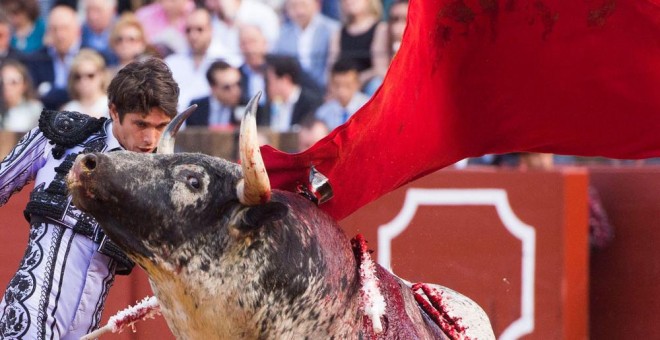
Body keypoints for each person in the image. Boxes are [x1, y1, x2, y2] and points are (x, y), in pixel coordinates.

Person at [0, 57, 179, 339]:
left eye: (161, 127)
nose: (150, 139)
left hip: (85, 329)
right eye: (141, 124)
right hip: (28, 314)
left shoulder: (162, 180)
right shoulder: (61, 136)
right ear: (114, 111)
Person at [22, 5, 82, 110]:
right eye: (54, 29)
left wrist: (49, 91)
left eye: (64, 28)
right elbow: (34, 94)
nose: (60, 34)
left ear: (77, 30)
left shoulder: (89, 55)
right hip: (47, 114)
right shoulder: (36, 58)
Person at [165, 7, 223, 112]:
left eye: (199, 29)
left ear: (211, 30)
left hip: (210, 124)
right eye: (188, 30)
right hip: (177, 124)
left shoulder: (226, 60)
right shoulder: (172, 63)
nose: (193, 35)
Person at [273, 0, 339, 90]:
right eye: (293, 6)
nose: (299, 11)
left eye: (303, 5)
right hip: (294, 91)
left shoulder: (333, 30)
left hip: (325, 89)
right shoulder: (281, 34)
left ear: (316, 5)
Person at [328, 0, 388, 96]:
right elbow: (331, 67)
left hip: (367, 85)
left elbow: (379, 69)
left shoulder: (380, 29)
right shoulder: (338, 32)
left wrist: (356, 80)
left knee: (376, 84)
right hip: (344, 86)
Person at [205, 0, 280, 66]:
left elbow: (273, 48)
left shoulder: (261, 13)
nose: (209, 3)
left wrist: (233, 18)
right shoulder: (210, 23)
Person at [263, 54, 323, 132]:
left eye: (269, 81)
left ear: (285, 80)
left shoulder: (311, 104)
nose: (267, 86)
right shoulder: (269, 106)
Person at [315, 58, 369, 130]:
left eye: (348, 85)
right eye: (337, 85)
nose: (342, 91)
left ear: (357, 84)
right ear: (331, 84)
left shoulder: (368, 108)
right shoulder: (323, 114)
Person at [188, 59, 243, 129]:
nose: (235, 91)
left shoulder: (248, 107)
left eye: (238, 84)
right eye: (227, 87)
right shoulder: (196, 109)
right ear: (213, 88)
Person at [61, 49, 109, 118]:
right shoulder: (68, 109)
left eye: (90, 75)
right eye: (78, 77)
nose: (84, 81)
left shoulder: (111, 107)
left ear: (101, 75)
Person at [0, 59, 42, 131]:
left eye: (13, 82)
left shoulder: (34, 109)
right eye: (2, 82)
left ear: (24, 85)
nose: (6, 87)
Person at [80, 0, 118, 66]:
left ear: (112, 11)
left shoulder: (122, 33)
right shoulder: (81, 32)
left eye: (98, 10)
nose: (92, 16)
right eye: (88, 10)